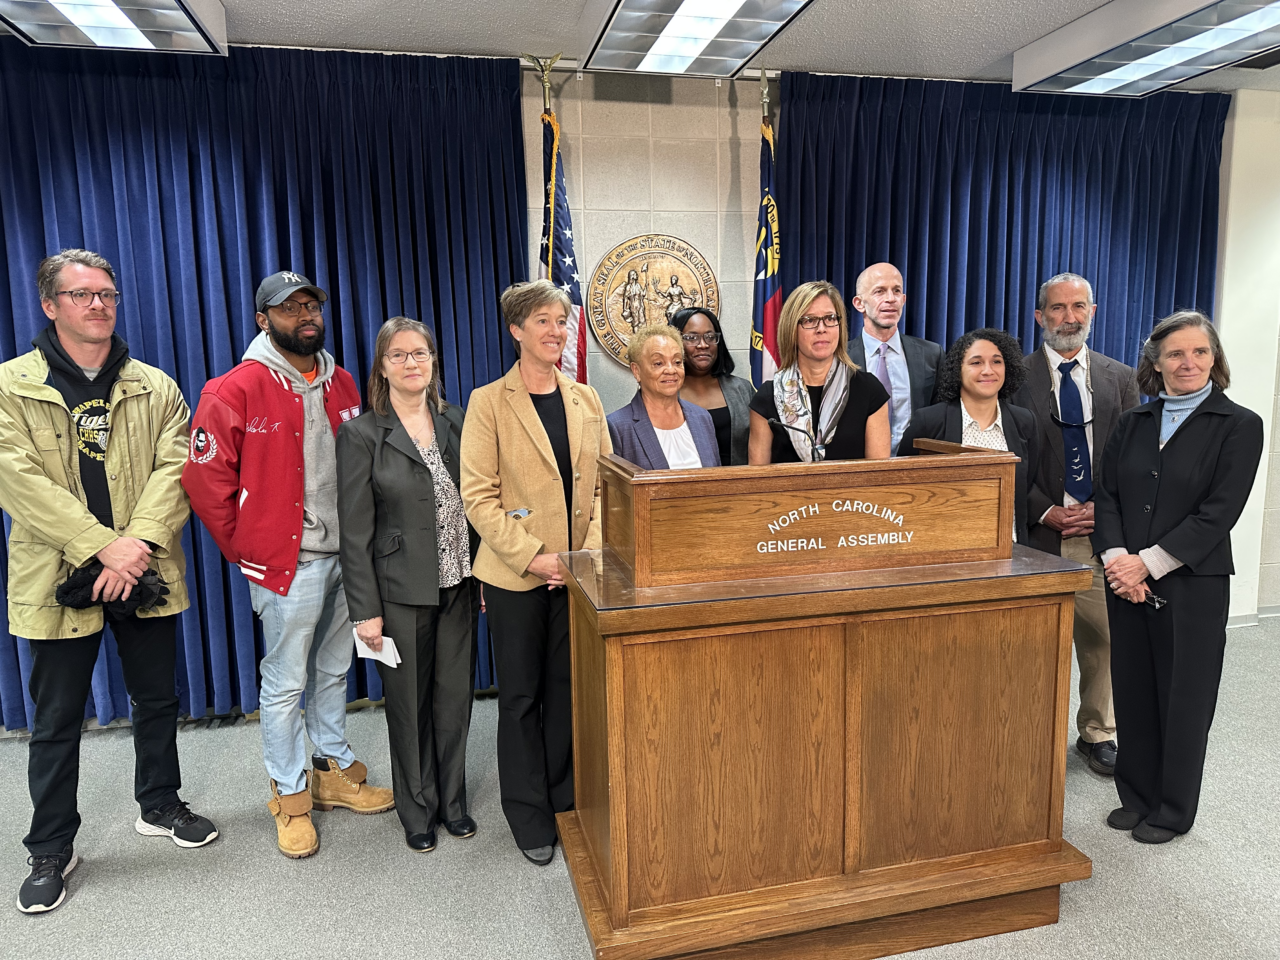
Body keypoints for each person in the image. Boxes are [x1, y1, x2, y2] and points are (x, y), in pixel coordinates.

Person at [0, 249, 216, 915]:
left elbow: (177, 468)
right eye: (82, 294)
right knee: (57, 719)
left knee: (157, 699)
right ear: (50, 305)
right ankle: (51, 847)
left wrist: (136, 547)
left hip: (144, 570)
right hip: (59, 573)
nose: (99, 304)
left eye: (107, 294)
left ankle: (160, 804)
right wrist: (102, 548)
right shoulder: (10, 386)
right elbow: (17, 480)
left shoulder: (157, 387)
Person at [182, 271, 393, 860]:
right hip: (287, 566)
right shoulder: (234, 389)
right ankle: (290, 794)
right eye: (289, 308)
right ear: (263, 320)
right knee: (285, 683)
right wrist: (252, 547)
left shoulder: (343, 382)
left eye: (311, 305)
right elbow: (203, 482)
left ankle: (330, 771)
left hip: (347, 559)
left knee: (332, 670)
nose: (305, 316)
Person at [1092, 311, 1262, 844]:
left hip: (1192, 584)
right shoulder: (1133, 422)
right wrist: (1118, 561)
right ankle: (1136, 796)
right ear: (1157, 363)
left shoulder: (1239, 424)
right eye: (1175, 353)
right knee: (1134, 689)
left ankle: (1172, 809)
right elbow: (1108, 497)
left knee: (1183, 697)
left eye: (1199, 352)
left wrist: (1147, 563)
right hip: (1125, 582)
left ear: (1215, 359)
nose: (1188, 362)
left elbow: (1219, 512)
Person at [460, 279, 611, 867]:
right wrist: (534, 557)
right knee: (521, 697)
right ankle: (528, 815)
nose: (556, 331)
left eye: (562, 320)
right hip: (515, 576)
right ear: (516, 329)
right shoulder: (487, 402)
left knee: (567, 693)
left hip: (576, 576)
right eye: (543, 321)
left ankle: (564, 801)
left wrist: (579, 559)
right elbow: (478, 497)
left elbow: (604, 489)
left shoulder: (586, 399)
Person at [336, 318, 479, 853]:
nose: (411, 363)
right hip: (398, 593)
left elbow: (480, 501)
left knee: (453, 701)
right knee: (410, 706)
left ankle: (453, 803)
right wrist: (364, 610)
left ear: (433, 361)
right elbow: (354, 532)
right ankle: (417, 810)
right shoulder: (360, 435)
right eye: (398, 355)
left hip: (460, 582)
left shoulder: (456, 420)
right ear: (382, 366)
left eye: (420, 353)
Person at [1012, 273, 1139, 776]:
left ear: (1092, 312)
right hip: (1036, 533)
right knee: (1034, 648)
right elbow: (1006, 454)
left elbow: (1133, 459)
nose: (1069, 317)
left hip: (1097, 533)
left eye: (1078, 307)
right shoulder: (1013, 376)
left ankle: (1097, 733)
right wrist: (1044, 508)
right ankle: (1028, 737)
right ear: (1039, 316)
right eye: (1058, 308)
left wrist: (1102, 509)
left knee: (1104, 640)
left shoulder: (1120, 378)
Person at [898, 329, 1038, 543]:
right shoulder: (929, 421)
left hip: (1012, 550)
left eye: (997, 362)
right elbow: (904, 487)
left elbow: (1027, 484)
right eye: (976, 362)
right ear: (958, 370)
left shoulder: (1025, 421)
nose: (988, 370)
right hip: (945, 548)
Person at [748, 280, 891, 464]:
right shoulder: (768, 397)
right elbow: (758, 478)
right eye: (810, 320)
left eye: (830, 318)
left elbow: (879, 475)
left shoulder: (869, 391)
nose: (822, 329)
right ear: (791, 329)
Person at [848, 263, 943, 455]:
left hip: (915, 466)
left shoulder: (932, 354)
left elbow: (940, 419)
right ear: (859, 303)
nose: (891, 299)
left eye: (897, 291)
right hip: (859, 466)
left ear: (904, 299)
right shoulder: (841, 357)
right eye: (880, 291)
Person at [608, 322, 720, 470]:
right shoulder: (617, 427)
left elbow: (716, 478)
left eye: (677, 362)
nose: (671, 370)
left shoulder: (702, 418)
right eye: (658, 363)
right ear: (636, 371)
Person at [671, 307, 754, 465]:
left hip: (739, 479)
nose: (703, 345)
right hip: (685, 479)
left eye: (710, 337)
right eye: (692, 338)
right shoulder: (666, 392)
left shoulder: (742, 389)